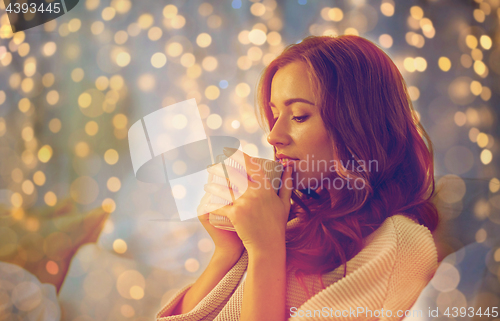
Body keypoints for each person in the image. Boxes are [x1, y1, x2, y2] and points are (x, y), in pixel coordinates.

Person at [156, 35, 439, 321]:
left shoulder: (401, 246)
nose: (274, 136)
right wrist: (228, 250)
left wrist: (266, 251)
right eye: (275, 114)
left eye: (300, 116)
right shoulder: (291, 221)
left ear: (361, 125)